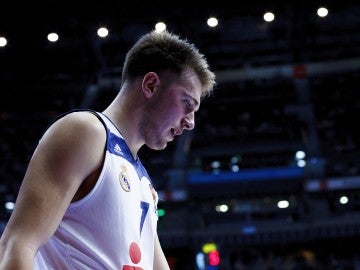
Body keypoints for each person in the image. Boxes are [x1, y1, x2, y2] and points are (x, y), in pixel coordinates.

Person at [0, 30, 216, 269]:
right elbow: (17, 245)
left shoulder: (144, 183)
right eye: (187, 104)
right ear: (151, 84)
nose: (190, 122)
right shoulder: (85, 132)